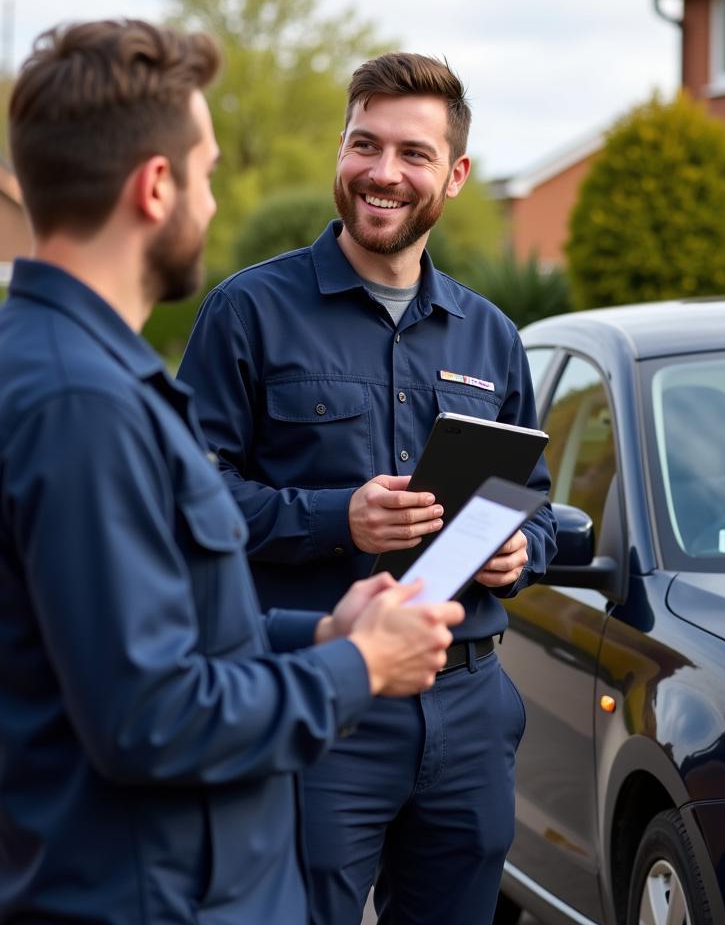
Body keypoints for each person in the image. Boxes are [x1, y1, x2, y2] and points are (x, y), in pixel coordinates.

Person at [0, 20, 465, 924]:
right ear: (157, 186)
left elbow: (154, 637)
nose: (212, 204)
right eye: (208, 174)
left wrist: (320, 635)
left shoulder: (82, 374)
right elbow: (149, 715)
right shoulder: (80, 404)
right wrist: (361, 666)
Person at [178, 52, 558, 924]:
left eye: (414, 154)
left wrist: (519, 551)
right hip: (318, 705)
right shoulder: (248, 313)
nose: (384, 173)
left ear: (454, 175)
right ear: (340, 152)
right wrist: (333, 518)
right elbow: (186, 511)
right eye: (365, 145)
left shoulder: (492, 336)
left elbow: (532, 497)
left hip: (468, 712)